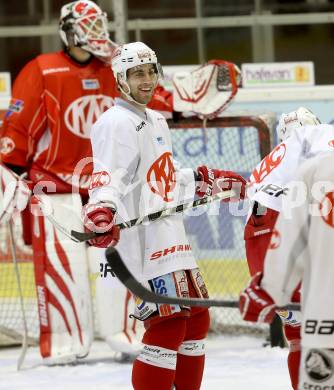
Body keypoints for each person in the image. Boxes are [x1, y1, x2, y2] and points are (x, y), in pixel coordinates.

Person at [0, 0, 174, 363]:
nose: (96, 32)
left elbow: (155, 97)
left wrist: (182, 101)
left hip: (109, 189)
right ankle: (65, 343)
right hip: (56, 188)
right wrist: (12, 167)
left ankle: (129, 332)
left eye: (99, 23)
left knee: (118, 265)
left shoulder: (116, 68)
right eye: (87, 24)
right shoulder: (42, 70)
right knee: (64, 270)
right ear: (68, 30)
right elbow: (19, 127)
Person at [83, 41, 246, 390]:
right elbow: (107, 176)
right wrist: (102, 210)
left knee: (196, 320)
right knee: (167, 325)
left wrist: (201, 178)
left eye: (150, 71)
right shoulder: (115, 122)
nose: (146, 79)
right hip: (143, 242)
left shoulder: (155, 118)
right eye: (136, 73)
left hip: (171, 234)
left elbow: (163, 177)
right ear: (120, 79)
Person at [243, 107, 334, 389]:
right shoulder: (320, 134)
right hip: (292, 222)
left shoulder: (265, 166)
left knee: (298, 333)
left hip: (259, 237)